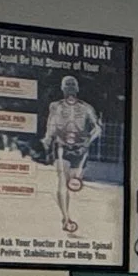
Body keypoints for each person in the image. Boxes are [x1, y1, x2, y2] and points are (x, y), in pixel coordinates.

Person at [42, 75, 103, 236]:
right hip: (62, 146)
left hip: (80, 148)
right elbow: (51, 125)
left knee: (73, 182)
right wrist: (47, 139)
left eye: (72, 86)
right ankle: (66, 218)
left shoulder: (86, 108)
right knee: (62, 180)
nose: (70, 89)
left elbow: (97, 128)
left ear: (77, 89)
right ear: (62, 89)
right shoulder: (55, 106)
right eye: (67, 86)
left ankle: (68, 212)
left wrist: (88, 140)